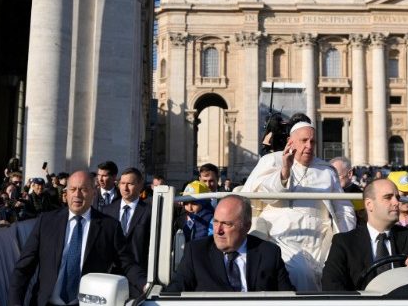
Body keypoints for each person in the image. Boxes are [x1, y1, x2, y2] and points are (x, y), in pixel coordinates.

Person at [241, 121, 355, 290]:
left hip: (320, 237)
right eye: (304, 141)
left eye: (312, 141)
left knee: (330, 273)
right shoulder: (272, 161)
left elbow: (342, 207)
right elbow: (261, 194)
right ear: (290, 141)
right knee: (301, 273)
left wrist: (346, 238)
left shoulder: (326, 170)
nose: (309, 146)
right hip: (284, 235)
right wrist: (285, 171)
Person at [9, 170, 145, 305]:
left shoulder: (109, 227)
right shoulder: (46, 222)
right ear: (66, 193)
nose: (77, 195)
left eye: (83, 189)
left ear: (94, 192)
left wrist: (145, 285)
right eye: (72, 189)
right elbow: (23, 268)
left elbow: (127, 264)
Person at [321, 178, 408, 291]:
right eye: (388, 197)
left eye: (397, 197)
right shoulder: (345, 242)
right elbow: (331, 284)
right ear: (369, 204)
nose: (396, 202)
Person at [166, 195, 294, 292]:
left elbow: (288, 298)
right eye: (216, 222)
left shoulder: (269, 253)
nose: (218, 231)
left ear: (246, 226)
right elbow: (174, 293)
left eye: (226, 224)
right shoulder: (196, 252)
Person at [102, 168, 151, 269]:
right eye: (122, 183)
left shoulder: (149, 212)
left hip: (138, 271)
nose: (125, 188)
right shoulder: (107, 211)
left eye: (130, 184)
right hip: (111, 271)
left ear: (140, 185)